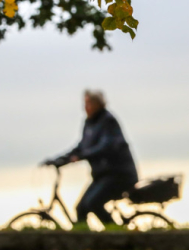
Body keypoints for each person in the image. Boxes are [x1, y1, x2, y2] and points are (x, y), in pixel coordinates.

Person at [43, 89, 138, 227]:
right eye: (85, 104)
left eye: (88, 103)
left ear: (98, 104)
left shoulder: (108, 121)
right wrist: (60, 160)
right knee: (81, 208)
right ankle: (84, 242)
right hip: (101, 176)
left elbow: (106, 146)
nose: (85, 107)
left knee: (93, 203)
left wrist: (81, 156)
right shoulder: (89, 123)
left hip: (118, 175)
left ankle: (117, 236)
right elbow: (81, 147)